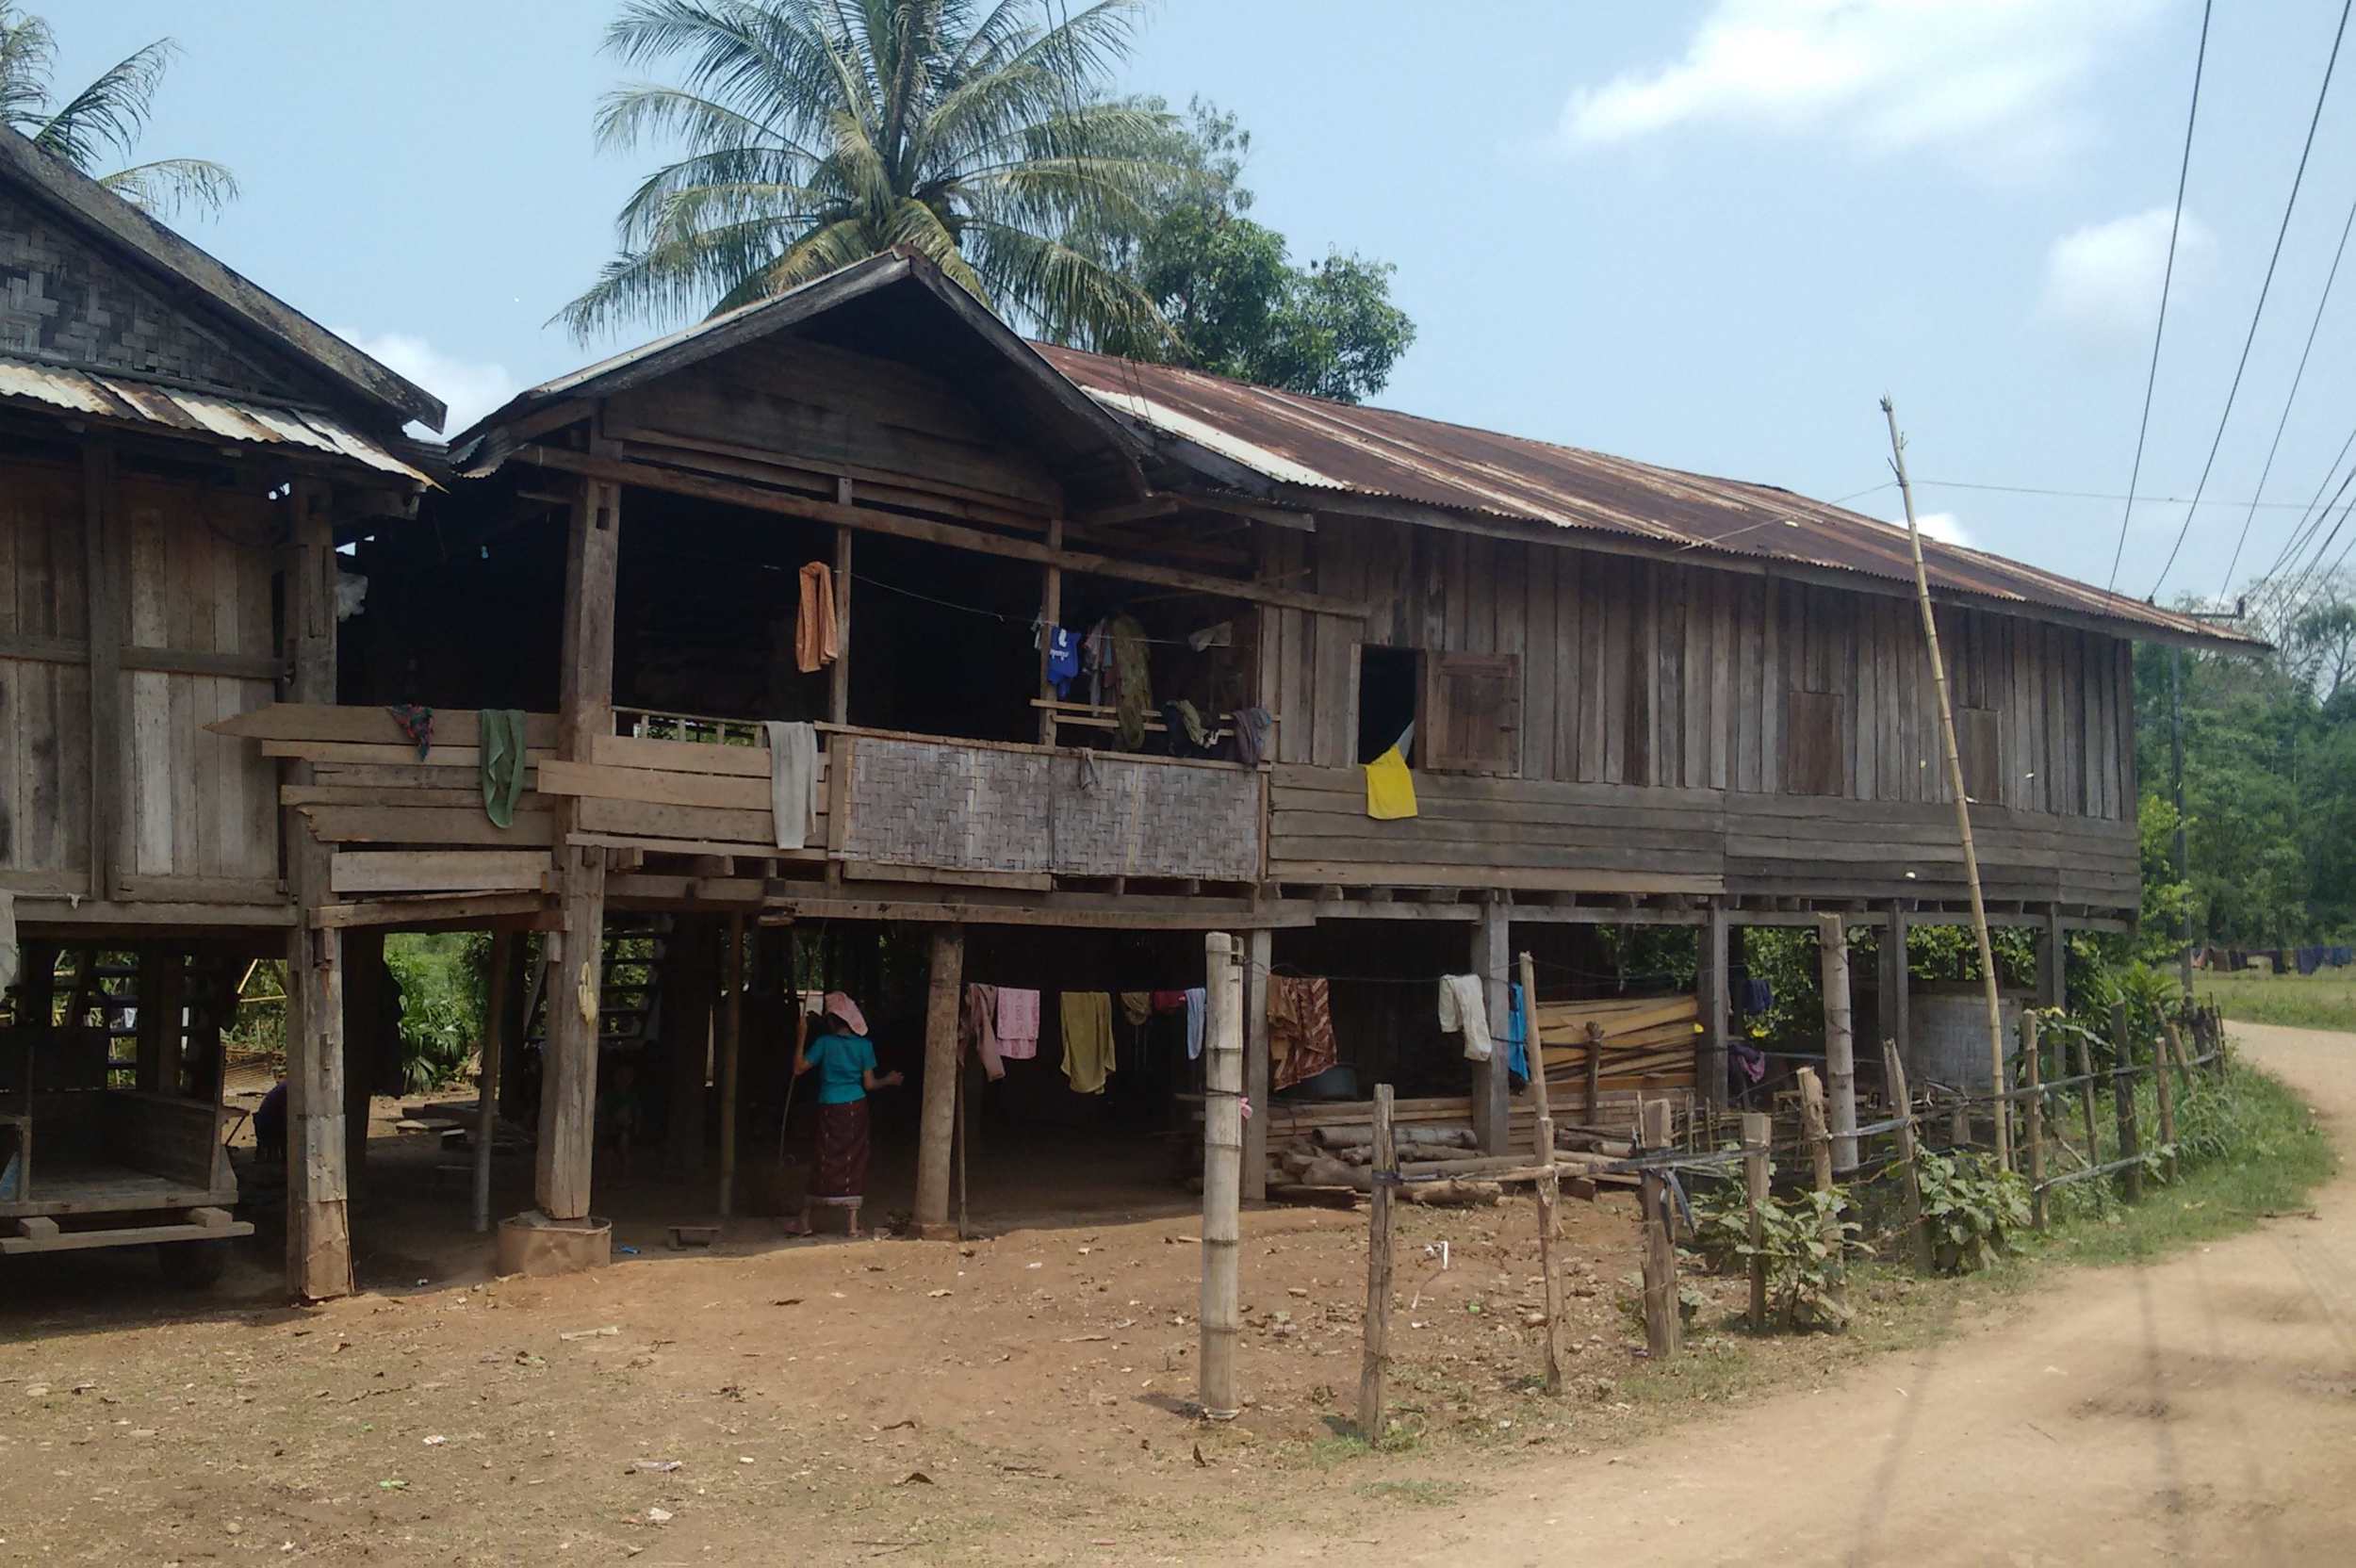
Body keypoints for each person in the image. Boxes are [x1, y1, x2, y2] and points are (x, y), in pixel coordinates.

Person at [786, 993, 900, 1235]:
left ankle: (805, 1219)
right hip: (855, 1108)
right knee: (854, 1158)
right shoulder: (865, 1046)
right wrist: (888, 1080)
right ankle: (851, 1224)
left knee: (822, 1159)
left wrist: (801, 1036)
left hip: (829, 1107)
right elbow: (869, 1085)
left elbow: (798, 1068)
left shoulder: (824, 1044)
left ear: (831, 1022)